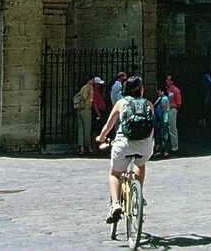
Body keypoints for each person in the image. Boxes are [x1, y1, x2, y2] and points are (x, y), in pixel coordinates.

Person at [96, 75, 155, 223]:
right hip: (145, 145)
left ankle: (116, 204)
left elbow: (108, 126)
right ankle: (138, 193)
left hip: (123, 143)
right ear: (141, 90)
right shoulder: (148, 104)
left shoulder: (120, 103)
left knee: (114, 174)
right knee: (140, 165)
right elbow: (152, 128)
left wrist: (101, 138)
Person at [74, 76, 105, 155]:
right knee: (87, 129)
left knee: (81, 130)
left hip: (79, 109)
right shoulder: (90, 88)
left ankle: (81, 148)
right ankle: (88, 147)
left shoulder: (83, 87)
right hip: (86, 109)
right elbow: (89, 99)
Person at [164, 74, 182, 153]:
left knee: (172, 128)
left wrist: (175, 109)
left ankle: (175, 147)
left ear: (172, 81)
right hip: (166, 110)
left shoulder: (175, 90)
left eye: (168, 80)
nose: (167, 81)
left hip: (172, 109)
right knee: (166, 128)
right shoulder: (166, 89)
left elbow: (179, 103)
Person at [153, 87, 172, 157]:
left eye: (159, 90)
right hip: (161, 119)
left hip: (164, 119)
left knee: (164, 136)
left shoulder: (164, 98)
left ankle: (165, 151)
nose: (157, 92)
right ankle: (162, 150)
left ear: (162, 91)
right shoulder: (160, 98)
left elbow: (164, 108)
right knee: (162, 135)